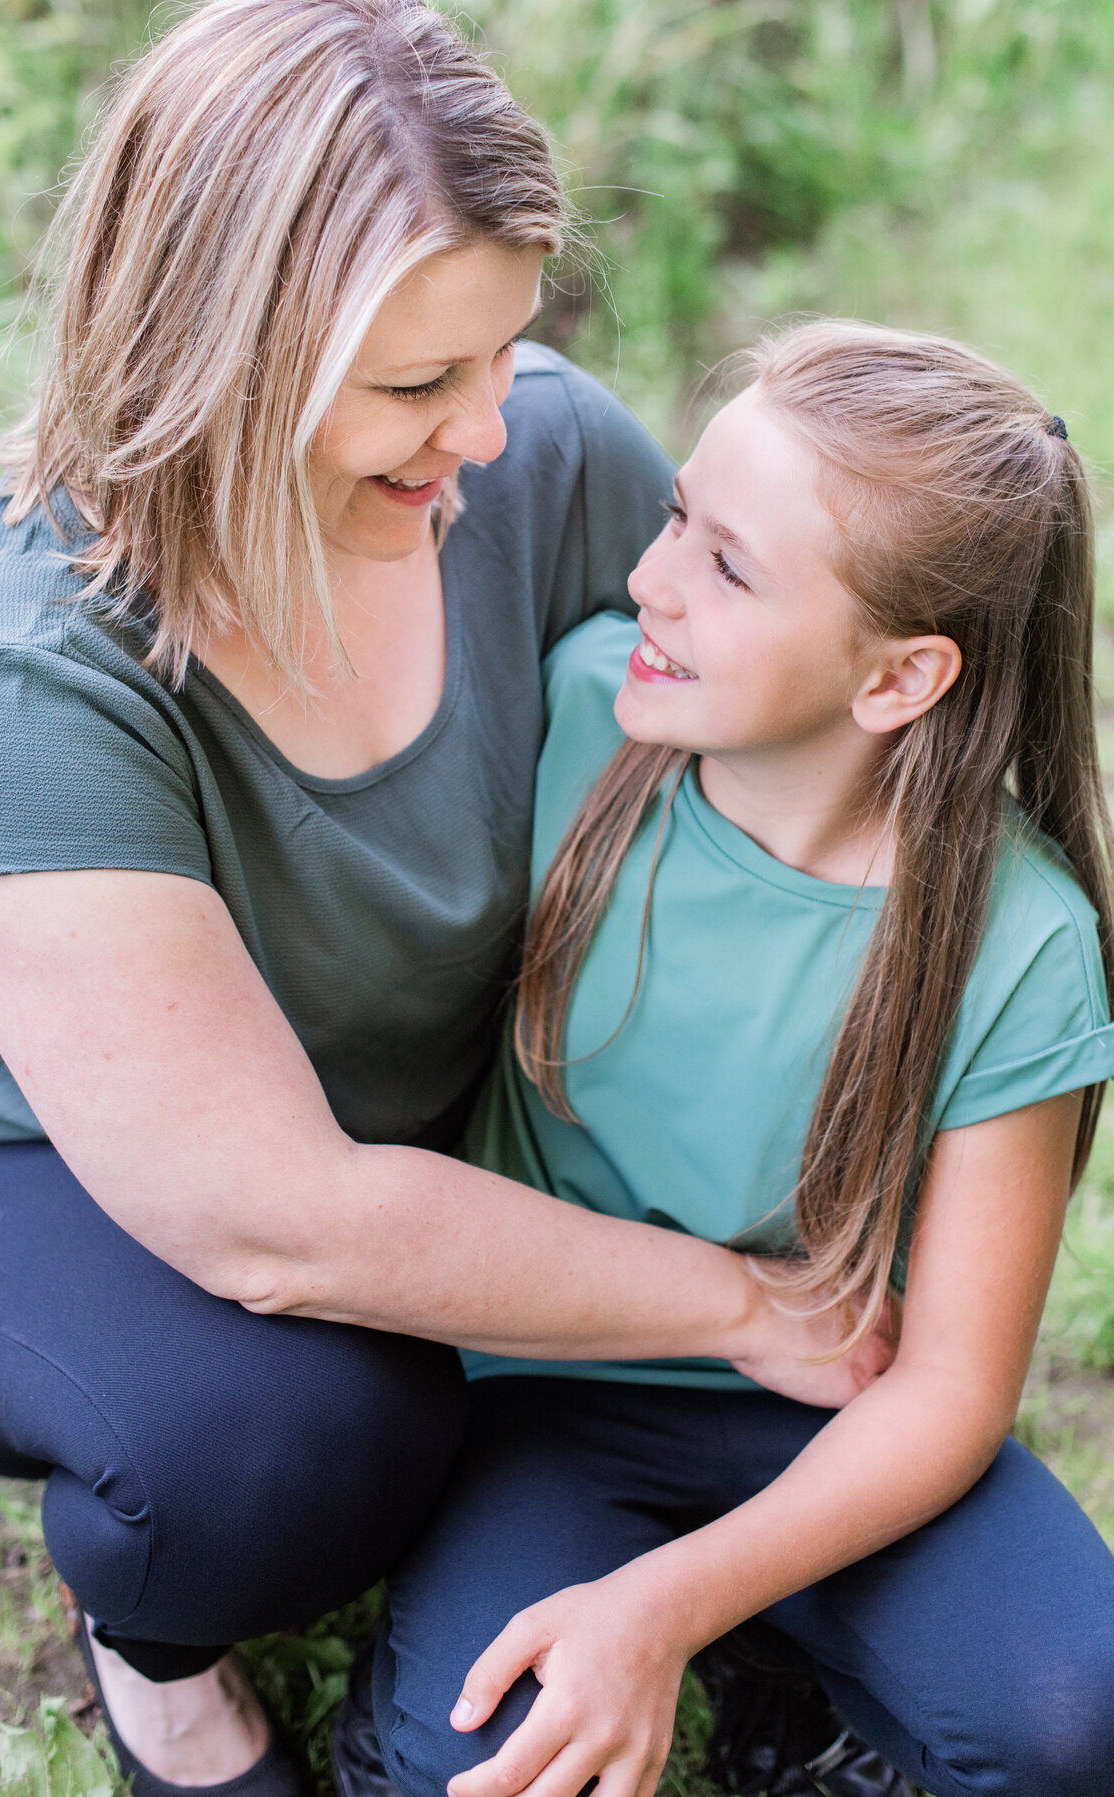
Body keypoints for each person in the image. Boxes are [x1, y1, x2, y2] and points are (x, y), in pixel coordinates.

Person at [0, 7, 889, 1795]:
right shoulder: (6, 669)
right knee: (277, 1437)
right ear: (207, 353)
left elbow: (787, 772)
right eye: (413, 385)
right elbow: (270, 1214)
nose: (486, 430)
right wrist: (744, 1304)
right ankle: (162, 1670)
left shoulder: (548, 464)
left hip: (420, 1126)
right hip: (44, 1171)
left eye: (506, 352)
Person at [365, 322, 1114, 1797]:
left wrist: (669, 1604)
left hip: (838, 1403)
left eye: (729, 566)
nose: (649, 580)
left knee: (1068, 1722)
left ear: (901, 678)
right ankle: (751, 1635)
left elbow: (951, 1388)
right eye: (673, 522)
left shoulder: (1018, 938)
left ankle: (776, 1638)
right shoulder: (577, 713)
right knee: (475, 1762)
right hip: (543, 1384)